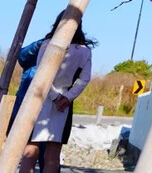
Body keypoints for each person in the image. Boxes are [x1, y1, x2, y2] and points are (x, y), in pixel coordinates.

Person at [18, 13, 95, 173]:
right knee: (53, 155)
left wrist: (53, 95)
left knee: (30, 150)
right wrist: (66, 97)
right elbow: (84, 79)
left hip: (40, 97)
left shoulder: (47, 44)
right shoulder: (84, 51)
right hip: (64, 104)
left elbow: (41, 73)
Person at [8, 38, 45, 171]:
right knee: (24, 149)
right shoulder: (40, 48)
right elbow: (22, 56)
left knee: (46, 154)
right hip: (25, 106)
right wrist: (42, 44)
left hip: (49, 109)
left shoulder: (71, 52)